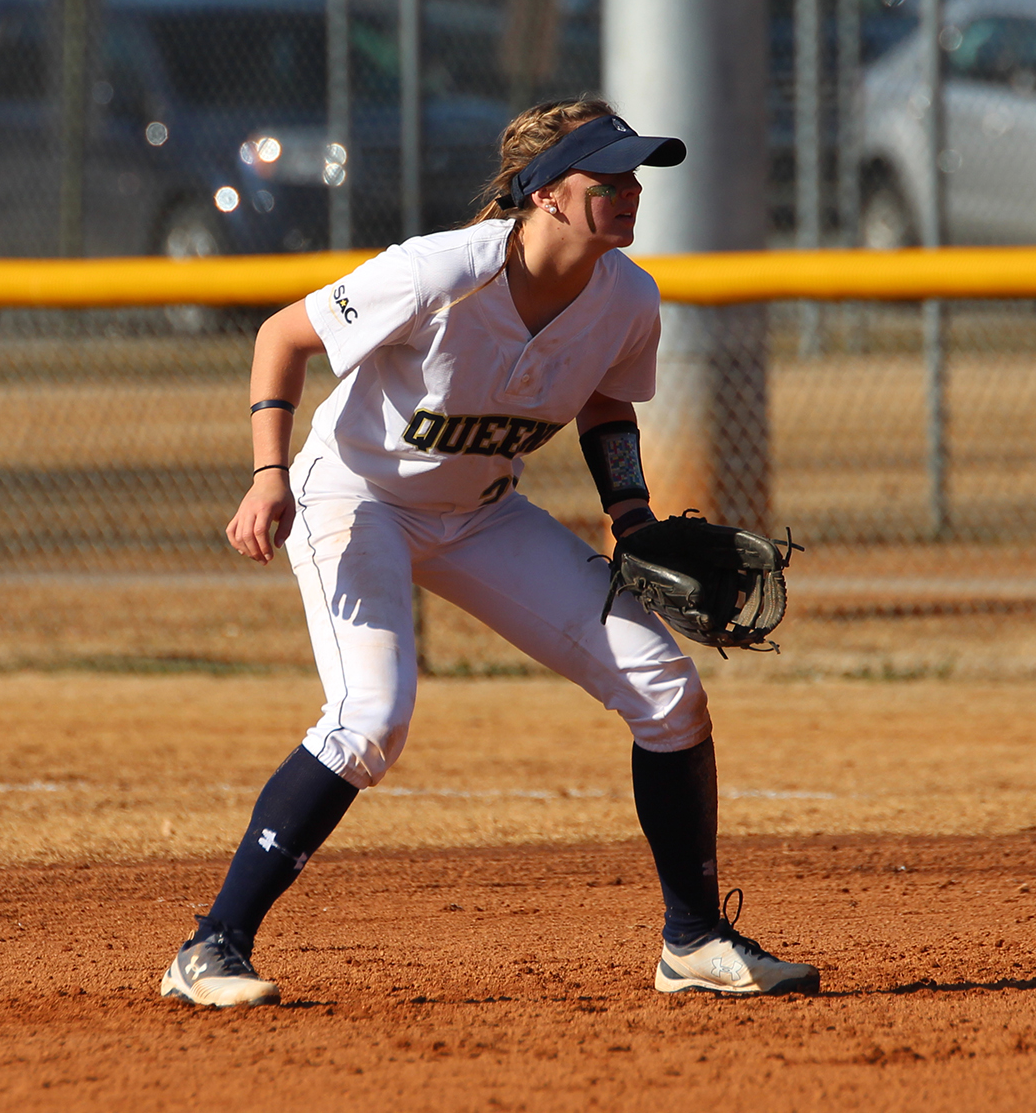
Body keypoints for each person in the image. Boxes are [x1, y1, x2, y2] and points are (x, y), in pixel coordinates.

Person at [157, 100, 820, 1007]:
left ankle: (694, 939)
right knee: (371, 720)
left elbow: (605, 404)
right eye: (607, 178)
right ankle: (211, 946)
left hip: (480, 513)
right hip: (357, 496)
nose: (629, 193)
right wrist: (268, 475)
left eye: (634, 177)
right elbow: (283, 336)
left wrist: (631, 518)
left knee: (667, 691)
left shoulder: (628, 295)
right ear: (545, 194)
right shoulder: (443, 270)